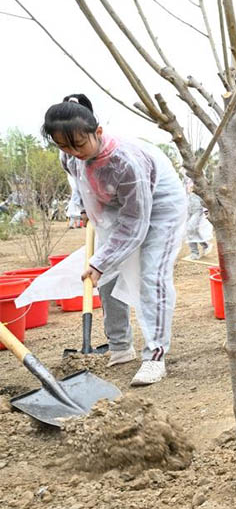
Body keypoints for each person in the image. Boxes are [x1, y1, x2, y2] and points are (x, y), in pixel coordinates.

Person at [37, 94, 186, 386]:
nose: (72, 152)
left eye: (79, 144)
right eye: (63, 146)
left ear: (98, 132)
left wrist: (102, 260)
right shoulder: (69, 154)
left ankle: (155, 355)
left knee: (151, 275)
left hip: (158, 208)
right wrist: (80, 206)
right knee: (102, 275)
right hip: (114, 207)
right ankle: (120, 346)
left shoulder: (126, 163)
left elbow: (135, 223)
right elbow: (77, 179)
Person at [185, 182, 213, 260]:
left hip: (198, 209)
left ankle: (194, 253)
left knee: (190, 228)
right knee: (190, 230)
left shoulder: (198, 178)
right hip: (188, 207)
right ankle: (205, 245)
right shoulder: (185, 180)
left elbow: (204, 194)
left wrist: (207, 209)